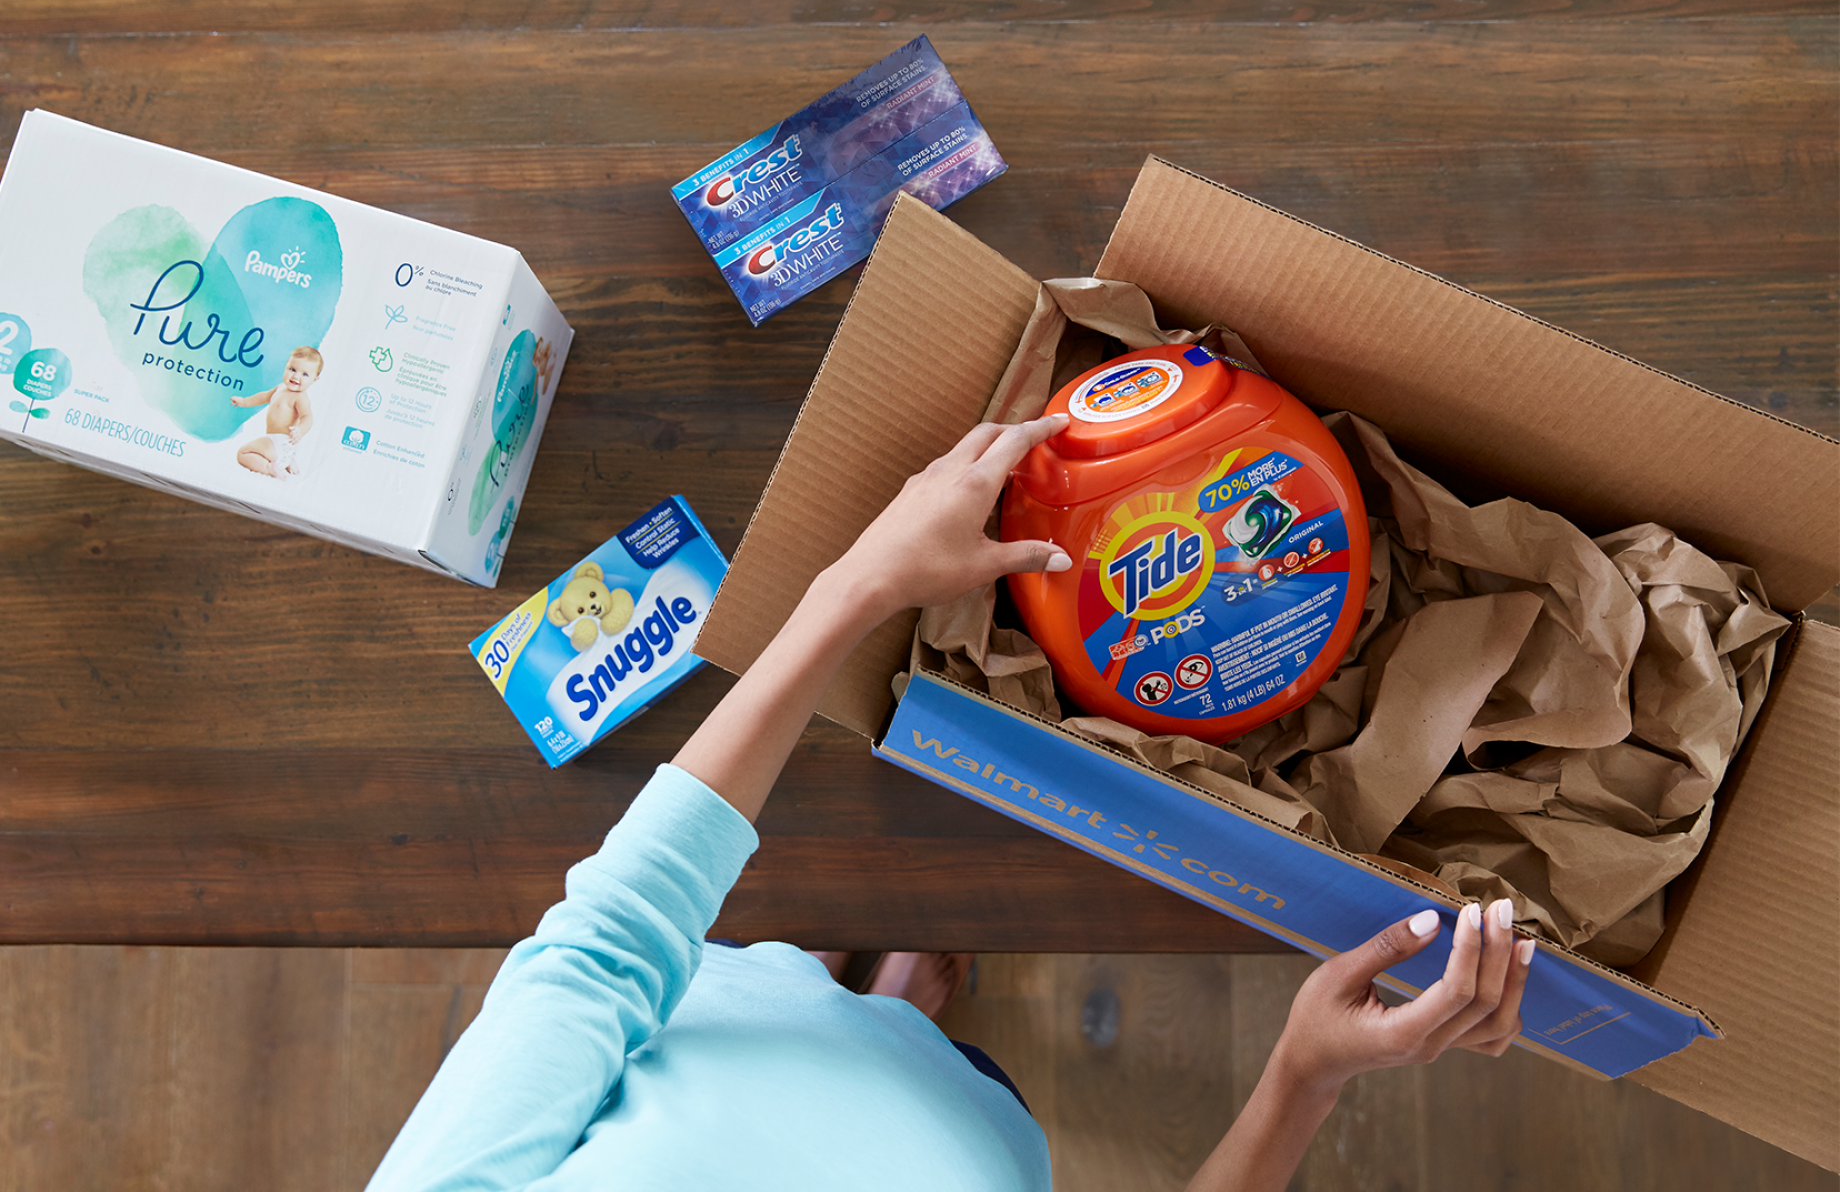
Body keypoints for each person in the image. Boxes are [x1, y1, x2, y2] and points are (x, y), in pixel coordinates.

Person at [366, 416, 1531, 1192]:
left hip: (722, 1019)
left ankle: (833, 982)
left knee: (778, 973)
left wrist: (859, 585)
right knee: (928, 1049)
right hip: (974, 1132)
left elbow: (609, 952)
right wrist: (1304, 1073)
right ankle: (899, 1017)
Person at [232, 345, 321, 479]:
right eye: (292, 369)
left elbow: (307, 417)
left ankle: (269, 468)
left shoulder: (300, 397)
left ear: (314, 379)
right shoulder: (281, 387)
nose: (296, 376)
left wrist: (300, 430)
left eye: (305, 374)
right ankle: (288, 461)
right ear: (286, 366)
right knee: (269, 449)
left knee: (243, 453)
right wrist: (244, 401)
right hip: (281, 446)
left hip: (279, 442)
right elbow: (264, 396)